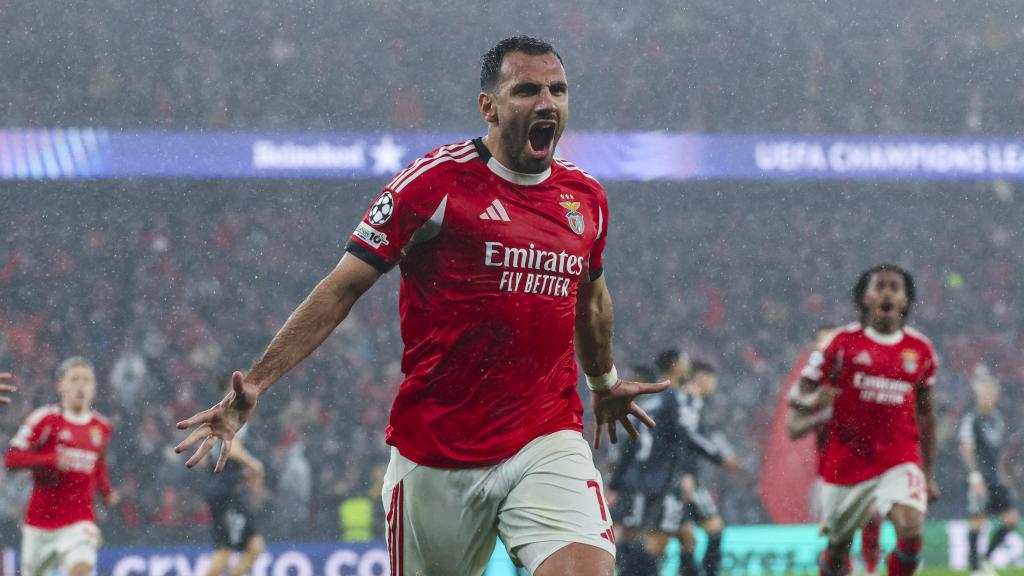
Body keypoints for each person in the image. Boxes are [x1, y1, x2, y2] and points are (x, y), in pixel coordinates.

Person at [175, 35, 668, 576]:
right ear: (489, 106)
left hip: (546, 437)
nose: (547, 102)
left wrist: (602, 383)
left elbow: (591, 301)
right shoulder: (433, 183)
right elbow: (342, 286)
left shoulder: (585, 198)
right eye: (527, 89)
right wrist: (260, 382)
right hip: (438, 451)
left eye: (558, 89)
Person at [789, 264, 939, 576]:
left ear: (905, 300)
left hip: (899, 455)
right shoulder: (840, 343)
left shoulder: (920, 349)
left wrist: (928, 473)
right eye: (879, 286)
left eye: (894, 287)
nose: (887, 292)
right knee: (838, 550)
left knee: (911, 530)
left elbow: (925, 413)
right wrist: (813, 400)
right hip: (847, 460)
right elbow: (799, 395)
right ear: (865, 299)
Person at [4, 357, 118, 576]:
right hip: (41, 522)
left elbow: (98, 462)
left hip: (80, 520)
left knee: (81, 567)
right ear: (61, 386)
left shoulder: (101, 427)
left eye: (86, 379)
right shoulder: (43, 419)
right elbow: (11, 459)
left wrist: (105, 491)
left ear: (94, 387)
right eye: (74, 379)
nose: (80, 385)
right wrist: (49, 460)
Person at [787, 326, 883, 576]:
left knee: (873, 514)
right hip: (829, 474)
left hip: (863, 465)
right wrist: (824, 414)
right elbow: (793, 429)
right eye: (824, 344)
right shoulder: (813, 389)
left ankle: (871, 569)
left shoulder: (857, 378)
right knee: (840, 541)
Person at [605, 360, 685, 576]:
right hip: (643, 481)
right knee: (632, 535)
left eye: (632, 378)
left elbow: (631, 451)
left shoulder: (648, 409)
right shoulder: (634, 409)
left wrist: (614, 484)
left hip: (644, 481)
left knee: (631, 534)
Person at [673, 361, 740, 576]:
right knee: (714, 529)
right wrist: (686, 473)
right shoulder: (690, 401)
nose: (714, 386)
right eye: (713, 380)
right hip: (682, 477)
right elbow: (684, 439)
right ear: (701, 378)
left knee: (686, 537)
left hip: (673, 477)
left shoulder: (687, 401)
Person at [204, 376, 267, 576]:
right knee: (225, 550)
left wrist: (243, 473)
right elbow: (231, 449)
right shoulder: (228, 414)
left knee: (255, 546)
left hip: (229, 490)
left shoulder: (230, 415)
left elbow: (208, 459)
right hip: (226, 491)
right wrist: (253, 464)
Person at [959, 365, 1018, 576]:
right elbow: (966, 448)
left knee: (1011, 520)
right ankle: (975, 568)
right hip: (979, 479)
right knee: (977, 521)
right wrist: (974, 476)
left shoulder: (998, 419)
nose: (986, 398)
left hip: (996, 478)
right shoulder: (971, 419)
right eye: (983, 394)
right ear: (977, 395)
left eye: (990, 394)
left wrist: (1004, 476)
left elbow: (999, 452)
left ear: (995, 396)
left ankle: (986, 559)